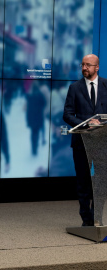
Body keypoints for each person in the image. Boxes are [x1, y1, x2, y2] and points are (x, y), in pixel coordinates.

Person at [63, 54, 107, 226]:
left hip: (103, 142)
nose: (84, 68)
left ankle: (97, 217)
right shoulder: (74, 88)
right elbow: (67, 114)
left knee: (102, 181)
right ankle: (86, 220)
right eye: (83, 64)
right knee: (83, 182)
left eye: (88, 65)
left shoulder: (106, 85)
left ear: (97, 67)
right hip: (82, 142)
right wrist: (86, 123)